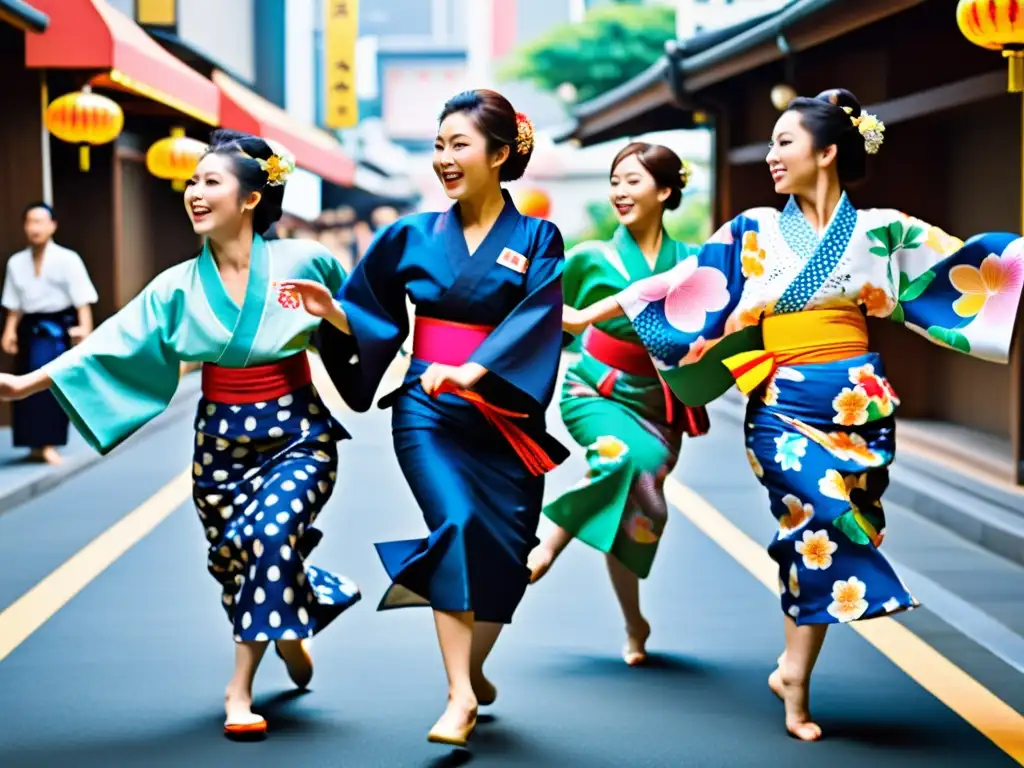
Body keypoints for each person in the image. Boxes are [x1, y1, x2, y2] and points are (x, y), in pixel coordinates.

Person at [560, 88, 1024, 741]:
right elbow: (678, 286)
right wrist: (587, 315)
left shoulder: (883, 230)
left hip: (860, 402)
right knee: (819, 518)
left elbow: (974, 269)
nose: (773, 156)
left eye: (785, 142)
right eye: (773, 143)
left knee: (816, 542)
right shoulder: (752, 231)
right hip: (782, 401)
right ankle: (799, 690)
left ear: (827, 151)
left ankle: (792, 672)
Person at [0, 130, 361, 739]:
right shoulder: (175, 286)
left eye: (210, 181)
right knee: (234, 559)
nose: (194, 192)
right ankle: (295, 617)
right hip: (219, 443)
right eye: (192, 182)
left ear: (250, 199)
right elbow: (107, 344)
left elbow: (370, 329)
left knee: (268, 535)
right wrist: (21, 386)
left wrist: (334, 314)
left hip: (298, 431)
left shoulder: (307, 261)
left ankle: (238, 688)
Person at [279, 89, 567, 747]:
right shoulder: (407, 235)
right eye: (438, 145)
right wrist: (332, 313)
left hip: (502, 414)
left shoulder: (538, 237)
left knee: (507, 554)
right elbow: (375, 318)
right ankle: (459, 694)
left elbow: (537, 318)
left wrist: (476, 370)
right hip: (426, 410)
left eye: (458, 144)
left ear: (500, 154)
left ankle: (476, 667)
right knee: (457, 528)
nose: (444, 158)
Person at [526, 142, 709, 666]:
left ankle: (634, 622)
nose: (620, 192)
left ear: (666, 190)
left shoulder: (690, 262)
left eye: (632, 181)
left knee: (636, 510)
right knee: (624, 459)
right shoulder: (588, 258)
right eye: (615, 181)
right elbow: (540, 315)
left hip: (658, 401)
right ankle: (549, 544)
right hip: (593, 388)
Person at [1, 202, 97, 464]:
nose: (35, 228)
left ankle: (48, 443)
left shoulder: (68, 259)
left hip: (57, 330)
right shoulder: (16, 262)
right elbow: (14, 303)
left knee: (49, 385)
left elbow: (82, 300)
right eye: (30, 222)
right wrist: (9, 331)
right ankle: (32, 444)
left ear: (52, 225)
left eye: (40, 221)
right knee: (22, 385)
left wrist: (85, 331)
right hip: (29, 329)